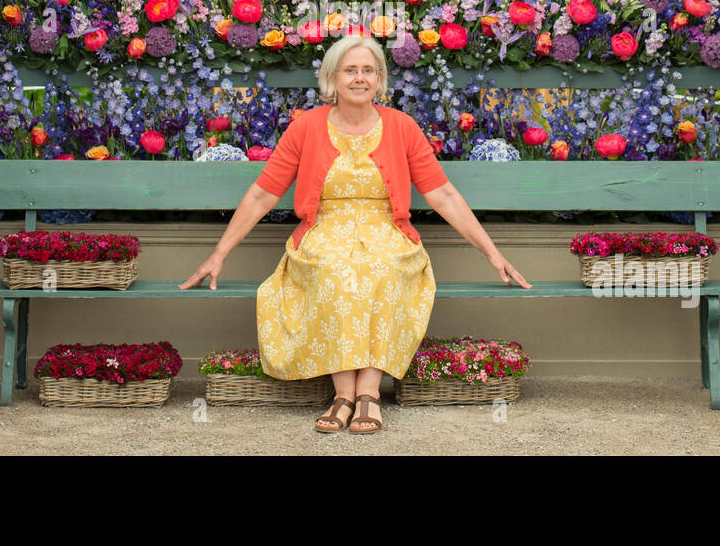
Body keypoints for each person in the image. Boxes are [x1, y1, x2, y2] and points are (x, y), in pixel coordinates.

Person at [181, 33, 530, 434]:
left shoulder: (402, 127)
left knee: (380, 268)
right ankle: (343, 393)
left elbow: (444, 194)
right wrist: (219, 253)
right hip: (325, 228)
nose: (359, 78)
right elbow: (263, 193)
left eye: (368, 70)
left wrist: (493, 253)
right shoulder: (306, 127)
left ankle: (369, 393)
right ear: (332, 78)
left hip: (386, 229)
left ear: (380, 79)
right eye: (350, 70)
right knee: (336, 270)